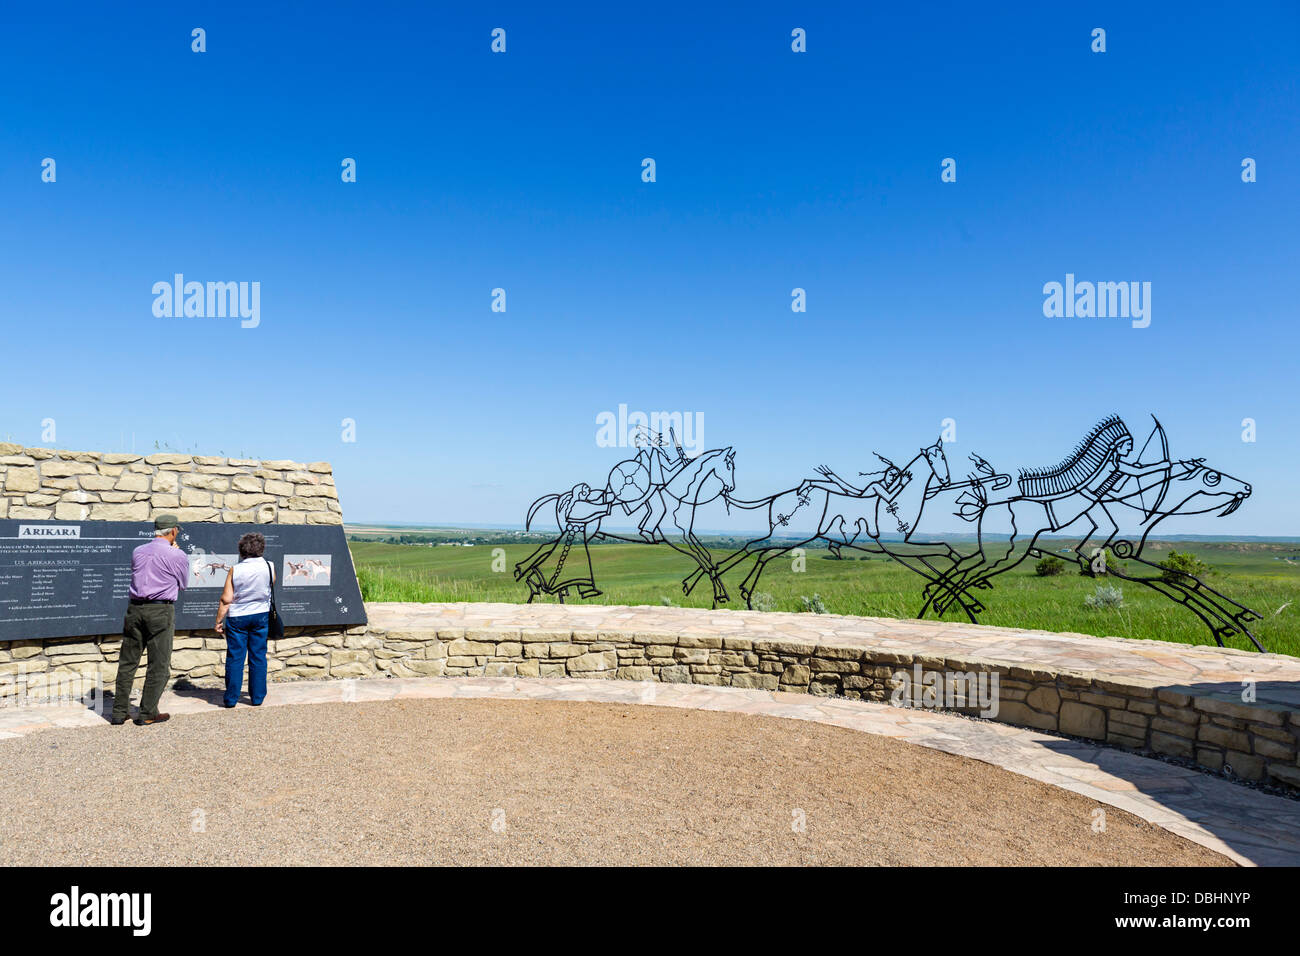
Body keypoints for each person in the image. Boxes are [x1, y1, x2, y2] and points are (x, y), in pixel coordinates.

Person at [112, 514, 190, 726]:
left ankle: (119, 712)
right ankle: (147, 712)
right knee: (159, 664)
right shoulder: (177, 555)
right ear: (173, 531)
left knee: (128, 662)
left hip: (134, 609)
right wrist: (176, 552)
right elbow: (183, 584)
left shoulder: (138, 551)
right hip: (160, 610)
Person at [213, 532, 274, 708]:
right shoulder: (270, 566)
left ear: (242, 550)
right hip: (261, 615)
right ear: (261, 548)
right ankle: (257, 697)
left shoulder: (236, 569)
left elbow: (226, 599)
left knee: (235, 658)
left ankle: (231, 699)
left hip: (238, 617)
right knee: (258, 656)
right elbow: (271, 585)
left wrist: (218, 621)